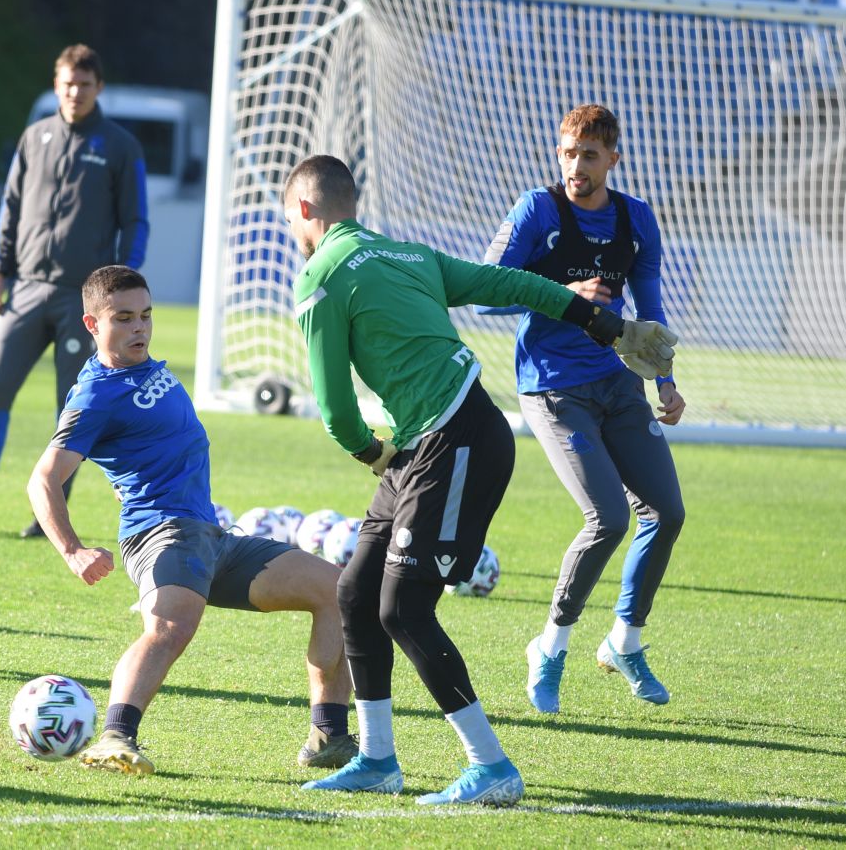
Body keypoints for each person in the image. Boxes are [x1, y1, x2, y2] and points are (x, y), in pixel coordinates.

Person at [281, 155, 673, 806]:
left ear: (301, 211)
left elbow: (336, 415)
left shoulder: (319, 279)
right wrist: (607, 325)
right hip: (436, 440)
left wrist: (369, 454)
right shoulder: (410, 256)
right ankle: (378, 759)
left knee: (401, 608)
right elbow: (514, 284)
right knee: (354, 593)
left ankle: (490, 767)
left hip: (452, 440)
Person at [27, 265, 355, 776]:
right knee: (169, 629)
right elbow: (43, 479)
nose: (140, 328)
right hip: (162, 534)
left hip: (211, 537)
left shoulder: (144, 366)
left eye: (146, 316)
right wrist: (72, 550)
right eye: (124, 319)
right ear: (92, 325)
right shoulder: (95, 395)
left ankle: (329, 737)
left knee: (337, 591)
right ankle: (115, 737)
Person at [479, 104, 686, 713]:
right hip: (551, 388)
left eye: (589, 155)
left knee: (666, 512)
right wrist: (560, 294)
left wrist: (664, 383)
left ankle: (625, 639)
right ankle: (550, 647)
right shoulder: (536, 209)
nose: (575, 165)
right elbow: (481, 287)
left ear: (612, 159)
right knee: (608, 520)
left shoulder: (636, 220)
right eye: (568, 152)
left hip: (616, 384)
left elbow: (648, 317)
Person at [0, 44, 147, 539]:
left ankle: (50, 520)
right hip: (25, 290)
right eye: (67, 84)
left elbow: (135, 222)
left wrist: (121, 291)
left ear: (98, 88)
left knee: (72, 411)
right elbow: (10, 208)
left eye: (84, 85)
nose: (74, 93)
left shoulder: (119, 146)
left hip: (81, 301)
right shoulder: (35, 137)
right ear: (56, 84)